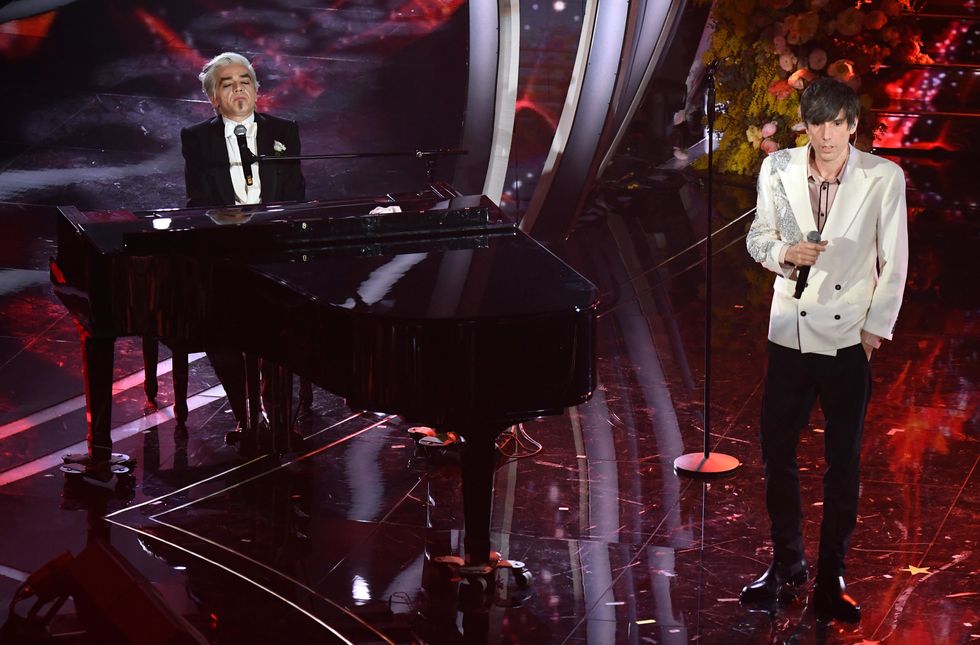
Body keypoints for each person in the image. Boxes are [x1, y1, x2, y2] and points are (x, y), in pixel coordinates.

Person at [741, 77, 908, 622]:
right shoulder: (778, 168)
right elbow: (757, 237)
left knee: (842, 461)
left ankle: (832, 572)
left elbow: (894, 262)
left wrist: (872, 333)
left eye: (837, 123)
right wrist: (785, 253)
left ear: (853, 125)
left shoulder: (882, 177)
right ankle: (786, 562)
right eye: (818, 124)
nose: (828, 135)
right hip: (788, 331)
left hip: (846, 339)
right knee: (776, 452)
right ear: (805, 126)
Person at [180, 52, 306, 432]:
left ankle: (276, 410)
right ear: (213, 98)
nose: (238, 89)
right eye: (227, 84)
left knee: (287, 324)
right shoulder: (197, 139)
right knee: (219, 327)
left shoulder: (284, 131)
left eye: (245, 81)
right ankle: (246, 414)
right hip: (227, 250)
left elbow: (296, 196)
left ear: (256, 90)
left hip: (276, 249)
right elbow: (199, 201)